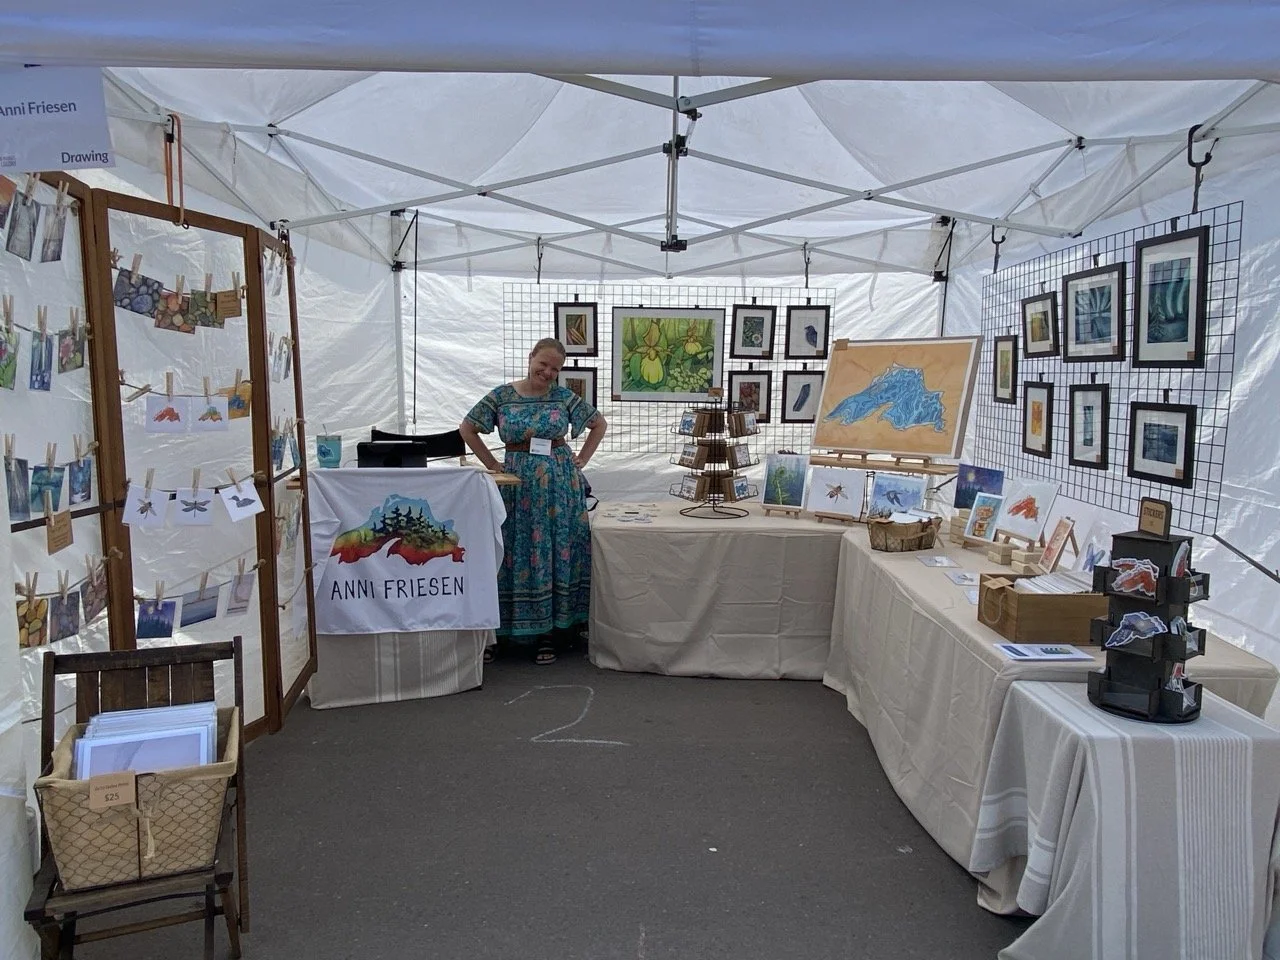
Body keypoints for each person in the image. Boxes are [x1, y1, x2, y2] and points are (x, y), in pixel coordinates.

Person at [459, 338, 606, 664]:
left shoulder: (563, 397)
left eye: (555, 368)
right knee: (513, 551)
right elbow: (467, 429)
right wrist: (491, 464)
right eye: (544, 364)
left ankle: (550, 632)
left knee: (554, 552)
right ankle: (503, 631)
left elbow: (599, 424)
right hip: (516, 486)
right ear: (531, 358)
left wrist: (580, 459)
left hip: (559, 487)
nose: (548, 372)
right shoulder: (502, 396)